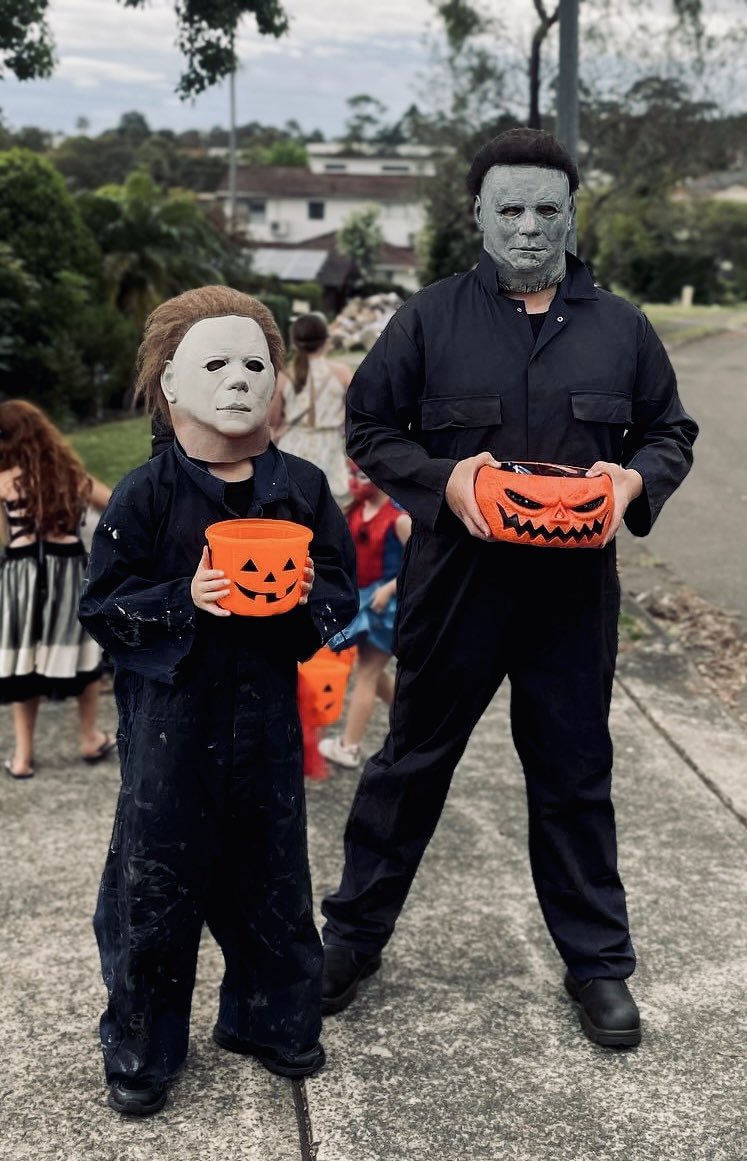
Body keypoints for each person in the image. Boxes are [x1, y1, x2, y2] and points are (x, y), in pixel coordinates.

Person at [320, 129, 698, 1046]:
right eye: (509, 208)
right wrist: (444, 482)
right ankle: (351, 939)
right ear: (477, 214)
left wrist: (630, 481)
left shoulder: (621, 327)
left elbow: (668, 431)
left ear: (571, 212)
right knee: (411, 764)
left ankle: (598, 966)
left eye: (545, 208)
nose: (529, 226)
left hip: (571, 596)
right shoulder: (429, 320)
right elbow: (369, 424)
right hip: (458, 582)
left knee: (573, 775)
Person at [79, 286, 357, 1117]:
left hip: (265, 722)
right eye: (214, 362)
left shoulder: (301, 488)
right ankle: (143, 1042)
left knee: (272, 875)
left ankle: (272, 1020)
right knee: (155, 886)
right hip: (170, 726)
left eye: (254, 362)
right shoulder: (146, 494)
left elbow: (341, 593)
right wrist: (180, 597)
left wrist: (309, 596)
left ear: (277, 378)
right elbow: (103, 605)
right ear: (169, 384)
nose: (237, 378)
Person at [0, 400, 113, 779]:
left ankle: (22, 756)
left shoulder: (3, 480)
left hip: (22, 578)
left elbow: (5, 537)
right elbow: (115, 505)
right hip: (67, 571)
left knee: (23, 662)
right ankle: (89, 738)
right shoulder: (71, 476)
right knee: (84, 658)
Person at [319, 460, 411, 769]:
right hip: (360, 601)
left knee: (368, 672)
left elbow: (421, 567)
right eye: (353, 473)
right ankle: (415, 713)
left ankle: (349, 746)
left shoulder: (399, 520)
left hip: (385, 607)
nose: (357, 480)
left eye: (363, 474)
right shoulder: (355, 510)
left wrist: (389, 590)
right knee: (371, 668)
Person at [269, 312, 352, 506]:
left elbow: (272, 420)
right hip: (329, 447)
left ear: (295, 342)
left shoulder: (286, 375)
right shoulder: (342, 373)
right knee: (329, 510)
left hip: (293, 447)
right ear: (325, 340)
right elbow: (354, 415)